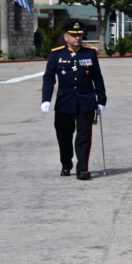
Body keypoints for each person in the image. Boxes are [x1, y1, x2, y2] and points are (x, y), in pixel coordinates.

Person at [41, 20, 106, 180]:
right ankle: (66, 163)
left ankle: (82, 168)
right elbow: (49, 78)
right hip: (65, 102)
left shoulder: (89, 53)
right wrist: (46, 99)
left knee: (84, 135)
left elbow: (97, 78)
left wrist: (101, 100)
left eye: (79, 35)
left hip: (86, 101)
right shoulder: (57, 54)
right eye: (74, 35)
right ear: (66, 36)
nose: (77, 37)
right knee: (64, 136)